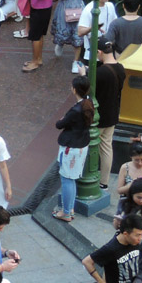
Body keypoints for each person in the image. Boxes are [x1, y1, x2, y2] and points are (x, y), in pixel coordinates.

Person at [53, 76, 93, 221]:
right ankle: (69, 208)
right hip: (82, 145)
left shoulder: (76, 110)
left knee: (66, 179)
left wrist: (63, 118)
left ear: (74, 89)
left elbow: (59, 124)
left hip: (71, 148)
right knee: (72, 178)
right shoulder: (88, 103)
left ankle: (66, 212)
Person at [52, 0, 89, 70]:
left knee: (77, 35)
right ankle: (60, 43)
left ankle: (76, 61)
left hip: (78, 7)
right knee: (63, 29)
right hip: (64, 7)